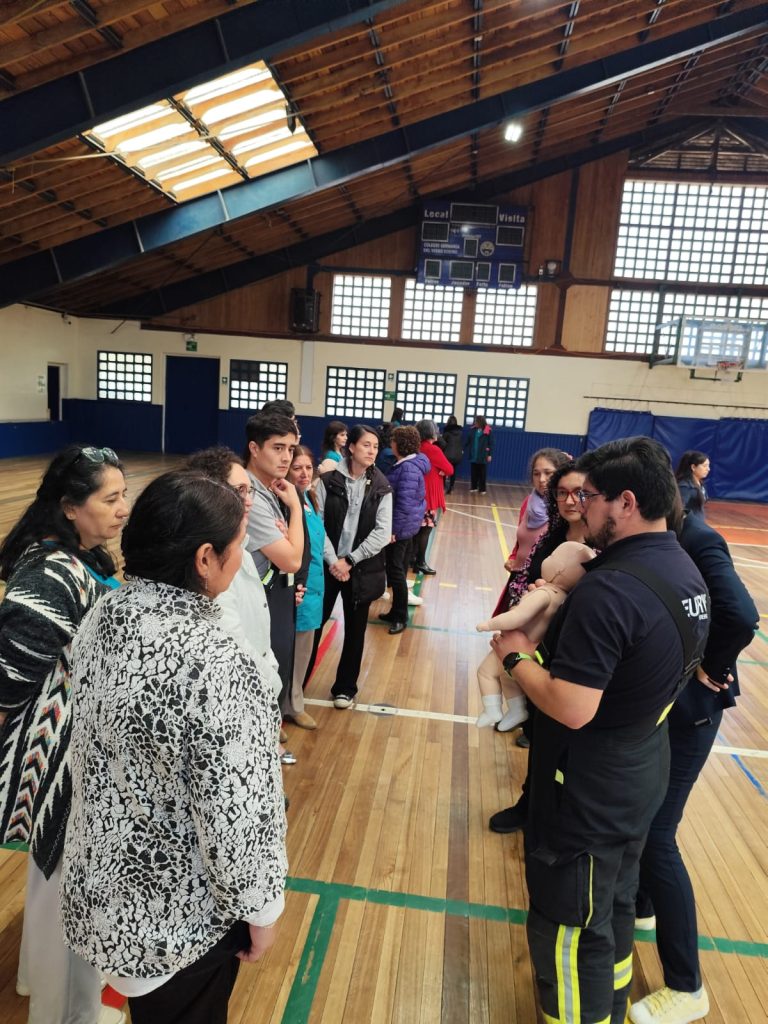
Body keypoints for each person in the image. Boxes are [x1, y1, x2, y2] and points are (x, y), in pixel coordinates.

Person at [491, 436, 709, 1024]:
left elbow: (572, 706)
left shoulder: (611, 591)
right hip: (641, 770)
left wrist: (516, 657)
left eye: (589, 497)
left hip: (588, 791)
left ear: (626, 502)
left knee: (568, 930)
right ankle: (609, 1007)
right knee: (612, 907)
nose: (579, 508)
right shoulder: (682, 567)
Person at [60, 471, 287, 1024]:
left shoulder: (104, 613)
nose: (243, 558)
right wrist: (262, 909)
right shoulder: (216, 662)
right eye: (239, 546)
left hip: (99, 891)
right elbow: (236, 814)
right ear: (205, 558)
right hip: (176, 925)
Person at [0, 445, 129, 1024]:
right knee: (67, 893)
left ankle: (43, 984)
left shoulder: (80, 558)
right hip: (56, 761)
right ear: (70, 507)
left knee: (56, 886)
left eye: (124, 495)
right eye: (110, 498)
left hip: (69, 753)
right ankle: (64, 1013)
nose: (122, 508)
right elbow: (7, 681)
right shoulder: (52, 572)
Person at [629, 505, 757, 1024]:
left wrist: (712, 664)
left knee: (659, 834)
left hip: (694, 711)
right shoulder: (657, 540)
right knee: (645, 818)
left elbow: (742, 616)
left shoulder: (698, 538)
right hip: (667, 706)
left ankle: (687, 987)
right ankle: (642, 907)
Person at [488, 461, 587, 829]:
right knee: (542, 731)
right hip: (540, 643)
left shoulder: (602, 542)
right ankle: (531, 803)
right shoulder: (553, 535)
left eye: (578, 493)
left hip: (576, 649)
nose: (569, 500)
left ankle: (560, 813)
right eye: (561, 493)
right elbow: (529, 577)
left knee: (569, 739)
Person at [185, 446, 282, 703]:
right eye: (239, 491)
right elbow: (234, 641)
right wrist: (271, 684)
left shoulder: (242, 550)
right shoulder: (210, 564)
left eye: (249, 491)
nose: (249, 501)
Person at [475, 542, 596, 728]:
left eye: (552, 556)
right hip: (532, 652)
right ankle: (517, 710)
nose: (546, 559)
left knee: (485, 672)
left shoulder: (544, 594)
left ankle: (492, 710)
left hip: (515, 646)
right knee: (509, 678)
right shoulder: (562, 598)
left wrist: (489, 624)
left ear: (559, 569)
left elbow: (518, 617)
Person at [314, 425, 392, 709]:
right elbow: (318, 524)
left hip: (359, 569)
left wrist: (350, 560)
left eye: (375, 446)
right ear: (351, 447)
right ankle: (296, 685)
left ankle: (345, 688)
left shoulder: (382, 486)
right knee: (314, 625)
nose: (372, 451)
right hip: (328, 566)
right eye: (366, 445)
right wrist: (333, 560)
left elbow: (382, 533)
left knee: (356, 631)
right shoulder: (327, 481)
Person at [243, 413, 304, 718]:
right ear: (254, 449)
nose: (286, 457)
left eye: (290, 449)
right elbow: (291, 559)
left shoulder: (271, 488)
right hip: (254, 599)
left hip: (273, 593)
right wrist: (295, 508)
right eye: (278, 448)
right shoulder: (250, 496)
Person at [286, 445, 326, 728]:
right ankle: (278, 710)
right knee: (283, 654)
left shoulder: (309, 499)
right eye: (297, 468)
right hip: (295, 588)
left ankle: (294, 704)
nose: (304, 473)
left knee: (302, 653)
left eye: (308, 468)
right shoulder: (286, 503)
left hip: (313, 588)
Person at [378, 426, 429, 635]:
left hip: (400, 529)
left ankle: (400, 616)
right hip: (405, 527)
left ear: (400, 444)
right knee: (395, 570)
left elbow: (404, 504)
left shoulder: (408, 469)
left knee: (396, 572)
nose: (391, 443)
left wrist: (394, 531)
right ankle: (395, 611)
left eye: (393, 440)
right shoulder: (407, 465)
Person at [413, 419, 453, 575]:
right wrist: (440, 471)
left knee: (415, 530)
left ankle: (412, 559)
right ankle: (420, 562)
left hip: (415, 494)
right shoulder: (433, 450)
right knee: (426, 529)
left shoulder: (415, 447)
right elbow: (449, 469)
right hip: (428, 497)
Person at [675, 450, 710, 518]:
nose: (708, 469)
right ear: (693, 467)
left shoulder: (700, 483)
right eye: (705, 466)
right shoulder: (685, 487)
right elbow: (679, 510)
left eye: (708, 466)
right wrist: (691, 521)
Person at [437, 414, 464, 494]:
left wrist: (439, 437)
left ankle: (443, 486)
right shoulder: (460, 432)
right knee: (453, 471)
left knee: (444, 470)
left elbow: (443, 444)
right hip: (458, 455)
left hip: (448, 455)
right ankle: (451, 486)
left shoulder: (447, 432)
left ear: (448, 422)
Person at [466, 414, 493, 493]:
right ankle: (474, 487)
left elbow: (491, 444)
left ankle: (482, 489)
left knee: (482, 473)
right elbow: (468, 441)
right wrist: (462, 448)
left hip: (483, 455)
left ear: (480, 422)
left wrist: (490, 454)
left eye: (476, 421)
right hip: (474, 454)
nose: (475, 423)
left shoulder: (488, 431)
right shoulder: (473, 430)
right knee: (473, 472)